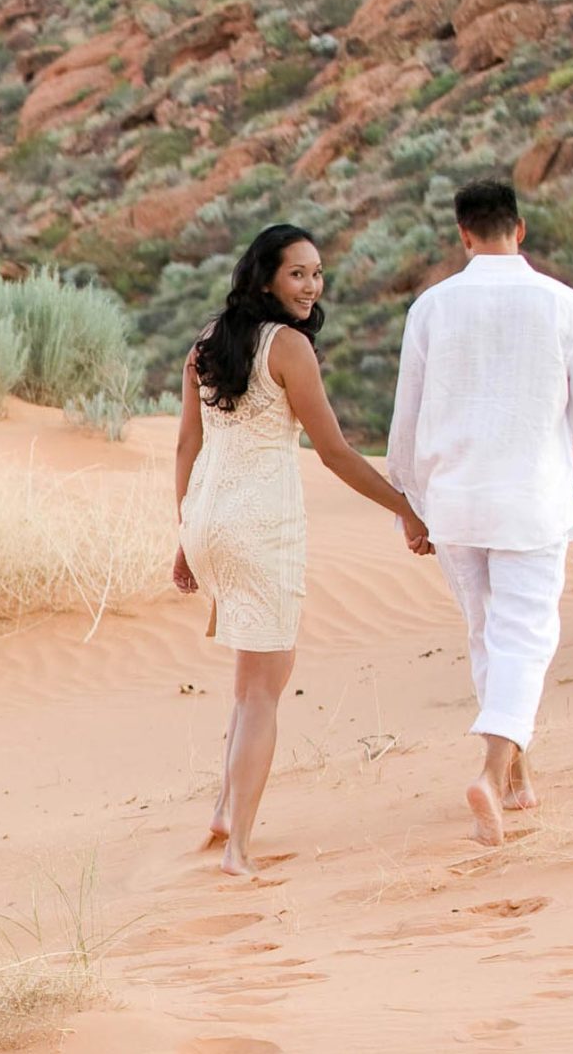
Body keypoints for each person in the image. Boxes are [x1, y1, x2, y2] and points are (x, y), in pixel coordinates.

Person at [174, 223, 431, 877]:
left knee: (247, 683)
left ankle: (224, 813)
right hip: (260, 528)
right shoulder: (288, 348)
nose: (311, 285)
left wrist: (184, 536)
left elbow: (186, 447)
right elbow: (337, 451)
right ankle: (238, 851)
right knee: (263, 690)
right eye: (297, 274)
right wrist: (406, 505)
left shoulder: (206, 343)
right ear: (265, 278)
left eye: (317, 273)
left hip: (208, 518)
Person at [387, 180, 573, 846]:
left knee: (488, 634)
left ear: (464, 234)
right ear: (518, 230)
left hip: (457, 502)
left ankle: (519, 778)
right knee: (524, 637)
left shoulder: (432, 308)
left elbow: (406, 417)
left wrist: (408, 502)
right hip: (532, 500)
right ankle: (492, 776)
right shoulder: (561, 303)